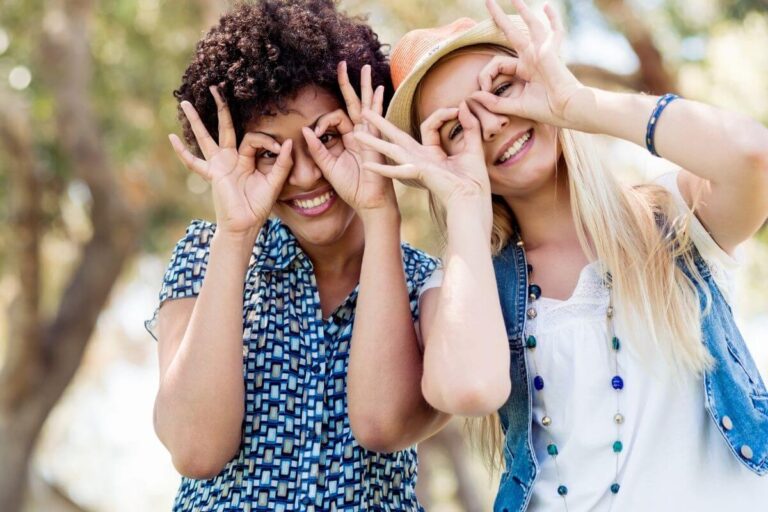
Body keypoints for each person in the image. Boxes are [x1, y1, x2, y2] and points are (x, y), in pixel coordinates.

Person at [348, 0, 768, 510]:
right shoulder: (465, 285)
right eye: (456, 129)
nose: (493, 124)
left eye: (501, 90)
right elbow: (469, 390)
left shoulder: (671, 219)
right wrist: (462, 201)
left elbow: (753, 155)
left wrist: (578, 103)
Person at [145, 1, 438, 509]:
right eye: (267, 152)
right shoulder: (204, 255)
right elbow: (196, 450)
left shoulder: (427, 284)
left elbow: (382, 425)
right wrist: (235, 235)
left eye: (329, 137)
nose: (303, 174)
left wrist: (380, 211)